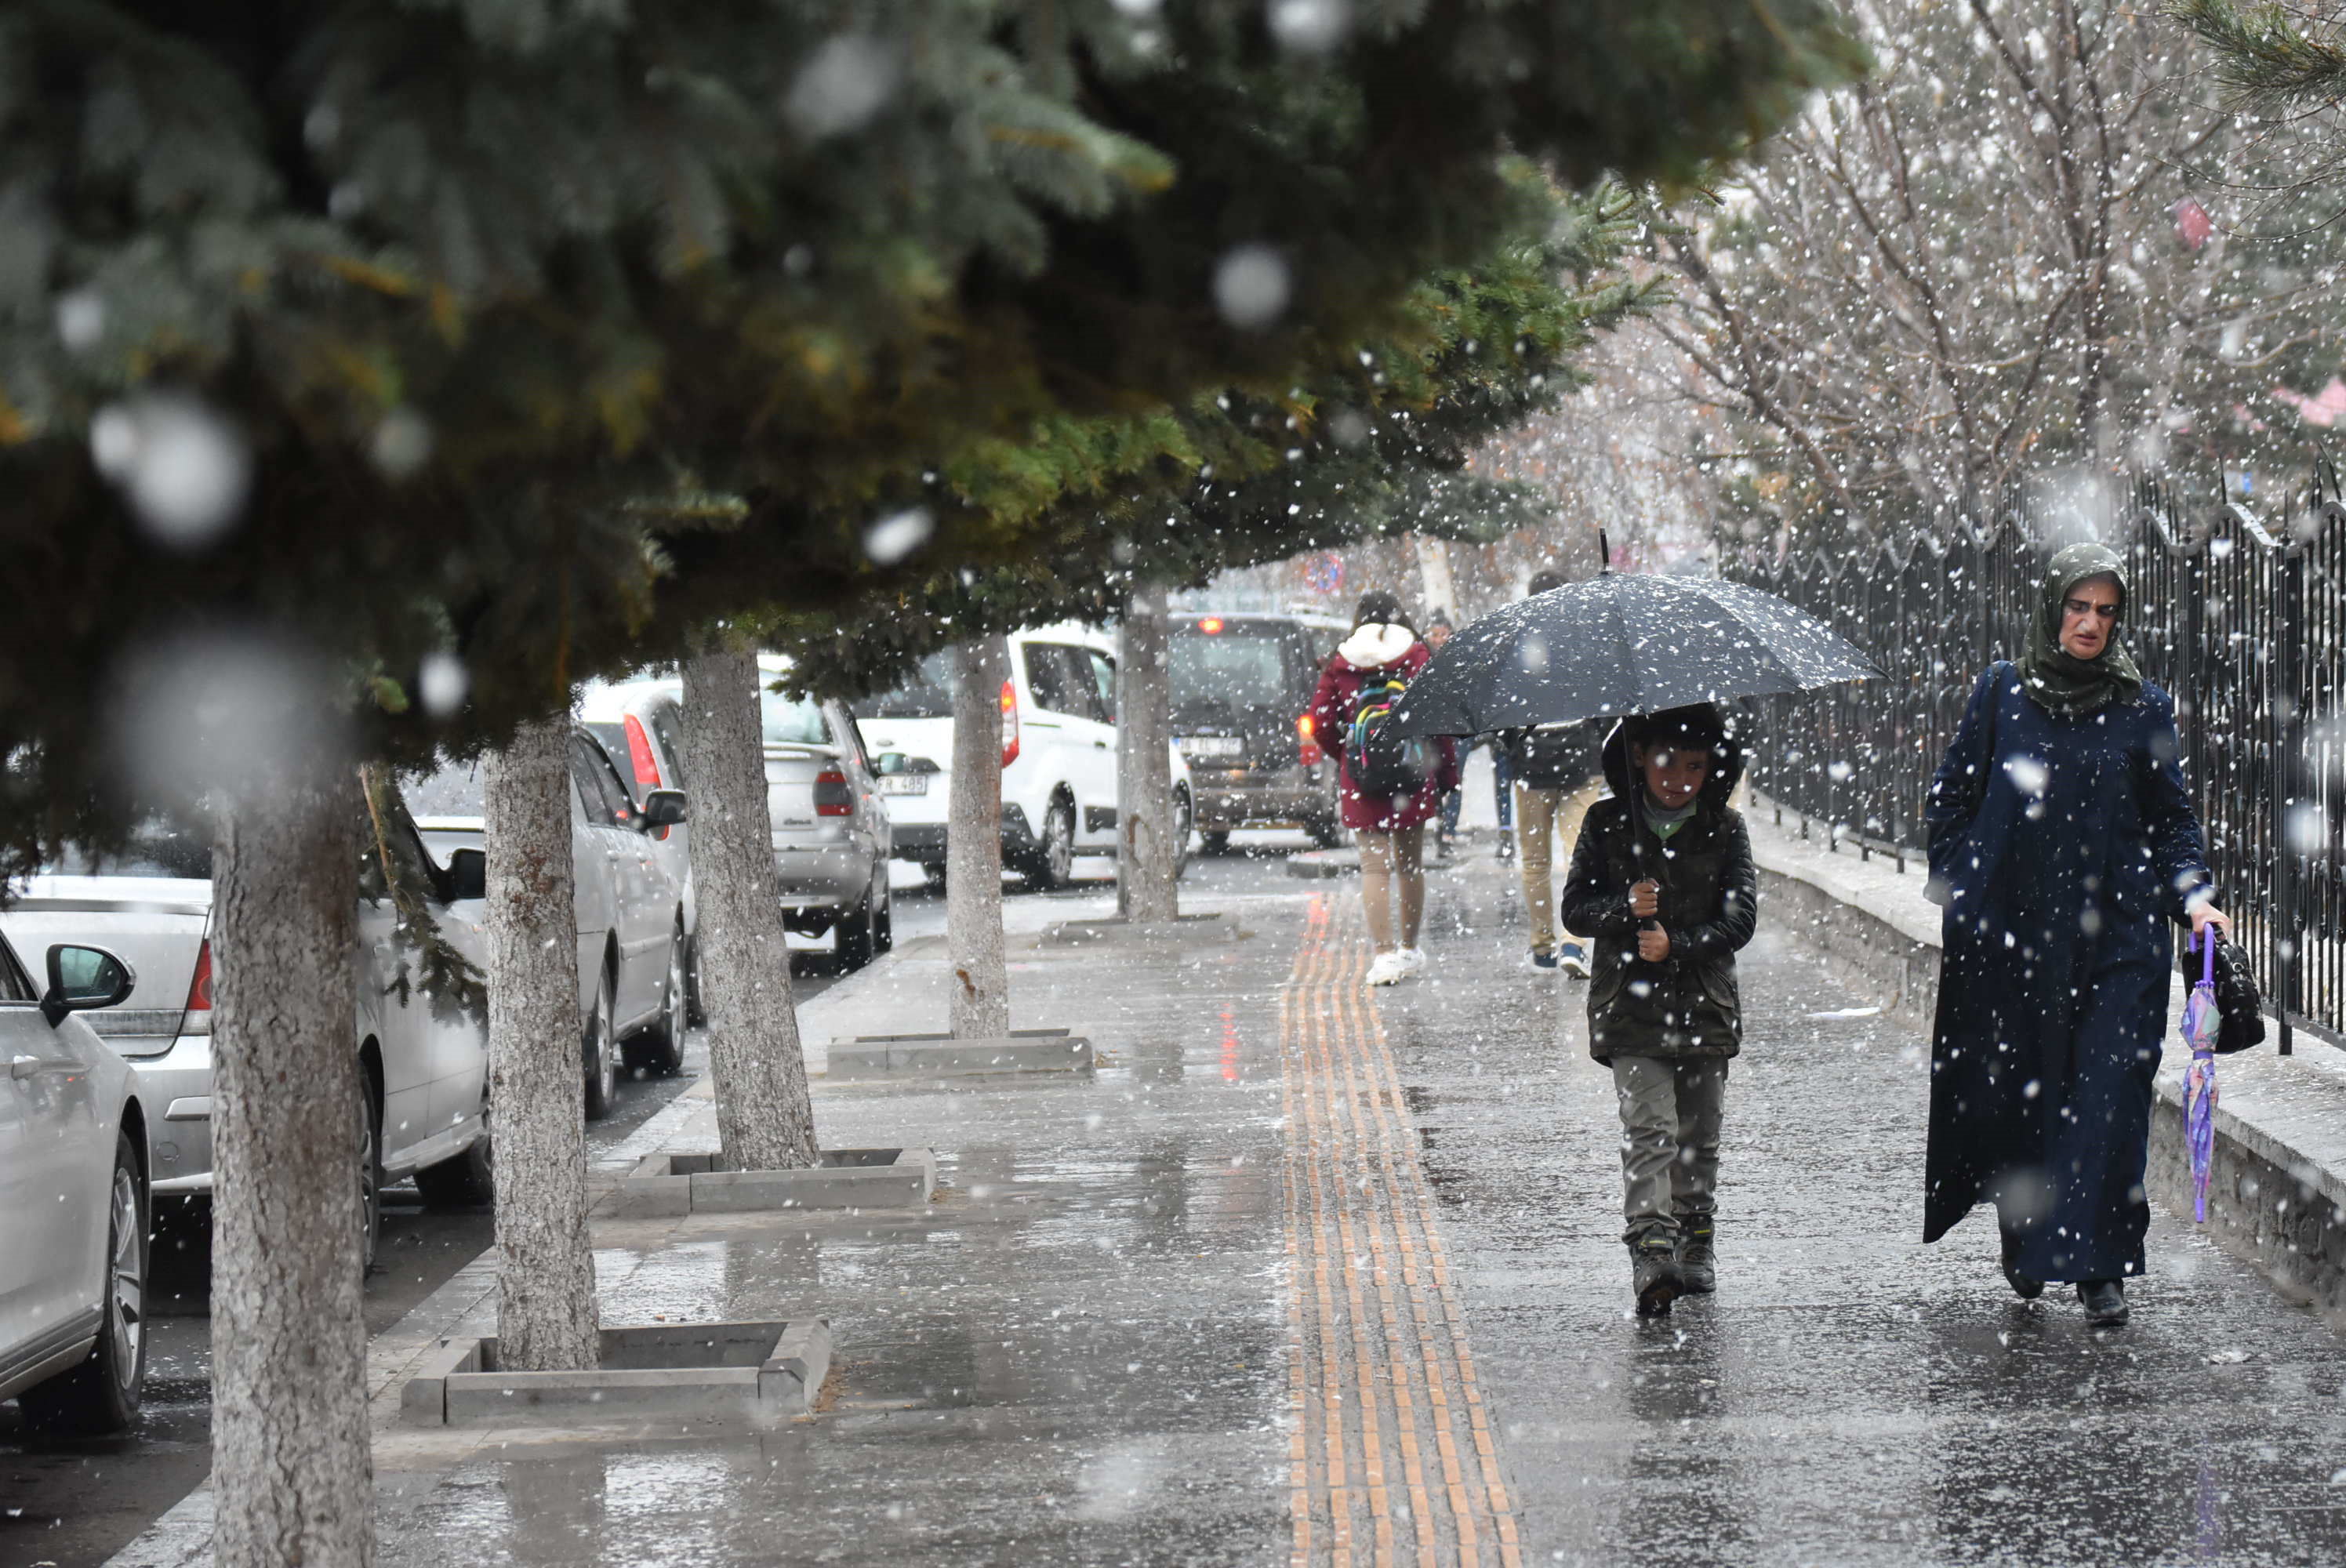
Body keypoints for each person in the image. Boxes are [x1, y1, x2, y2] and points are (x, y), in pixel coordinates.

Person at [1923, 543, 2230, 1328]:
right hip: (2019, 936)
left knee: (2110, 1097)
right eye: (2078, 605)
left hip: (2122, 935)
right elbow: (1951, 797)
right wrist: (1962, 887)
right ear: (2052, 606)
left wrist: (2194, 896)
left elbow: (2171, 821)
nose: (2090, 622)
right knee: (2030, 1091)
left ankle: (2099, 1263)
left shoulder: (2140, 705)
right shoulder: (2002, 692)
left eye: (2105, 610)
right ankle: (2027, 1237)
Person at [1560, 704, 1756, 1315]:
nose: (1679, 779)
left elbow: (1740, 919)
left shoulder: (1724, 828)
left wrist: (1679, 943)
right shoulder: (1606, 823)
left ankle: (1696, 1237)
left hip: (1705, 1008)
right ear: (1639, 756)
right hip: (1631, 1010)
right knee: (1650, 1130)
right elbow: (1574, 911)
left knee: (1698, 1136)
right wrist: (1624, 906)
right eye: (1666, 761)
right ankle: (1651, 1250)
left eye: (1695, 766)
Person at [1309, 590, 1459, 986]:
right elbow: (1437, 719)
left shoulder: (1340, 662)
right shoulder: (1417, 656)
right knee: (1410, 866)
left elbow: (1320, 722)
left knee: (1374, 867)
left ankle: (1384, 955)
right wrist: (1445, 774)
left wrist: (1347, 755)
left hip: (1362, 777)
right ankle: (1409, 948)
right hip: (1411, 772)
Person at [1499, 570, 1601, 975]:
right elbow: (1604, 704)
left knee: (1536, 862)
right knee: (1580, 856)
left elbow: (1502, 713)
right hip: (1582, 763)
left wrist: (1515, 748)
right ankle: (1574, 943)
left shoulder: (1516, 645)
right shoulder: (1584, 640)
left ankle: (1542, 945)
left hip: (1532, 768)